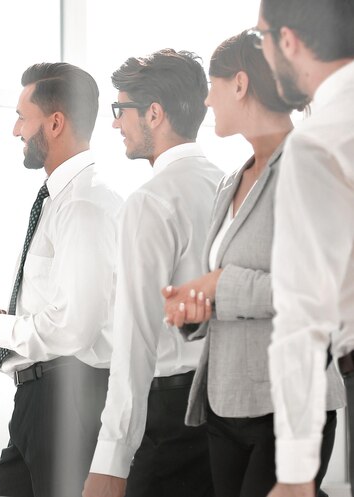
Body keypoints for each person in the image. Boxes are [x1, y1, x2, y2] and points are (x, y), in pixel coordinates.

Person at [162, 30, 345, 497]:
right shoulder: (229, 184)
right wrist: (195, 308)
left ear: (239, 84)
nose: (206, 100)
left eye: (213, 85)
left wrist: (223, 285)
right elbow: (224, 289)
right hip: (225, 406)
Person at [0, 63, 122, 497]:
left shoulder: (84, 204)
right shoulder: (60, 200)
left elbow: (75, 325)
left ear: (54, 122)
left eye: (21, 117)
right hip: (39, 399)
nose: (15, 130)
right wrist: (2, 317)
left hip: (69, 399)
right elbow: (61, 305)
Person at [82, 50, 222, 497]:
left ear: (154, 114)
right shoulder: (231, 185)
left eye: (120, 110)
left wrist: (111, 459)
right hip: (225, 415)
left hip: (169, 417)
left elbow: (134, 338)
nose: (115, 123)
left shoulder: (150, 202)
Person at [251, 0, 354, 496]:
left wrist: (294, 474)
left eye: (261, 39)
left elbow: (301, 317)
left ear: (287, 40)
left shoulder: (318, 141)